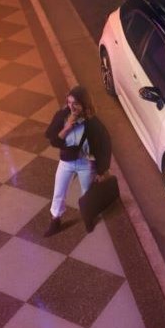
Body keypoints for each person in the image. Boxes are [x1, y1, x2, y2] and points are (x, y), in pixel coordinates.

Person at [43, 85, 111, 237]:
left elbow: (105, 145)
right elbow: (53, 140)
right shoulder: (62, 116)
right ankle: (55, 220)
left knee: (87, 193)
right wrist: (66, 128)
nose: (72, 107)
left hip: (85, 164)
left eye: (76, 104)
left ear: (85, 104)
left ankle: (88, 217)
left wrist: (102, 170)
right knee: (59, 191)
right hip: (66, 161)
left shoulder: (92, 122)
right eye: (69, 103)